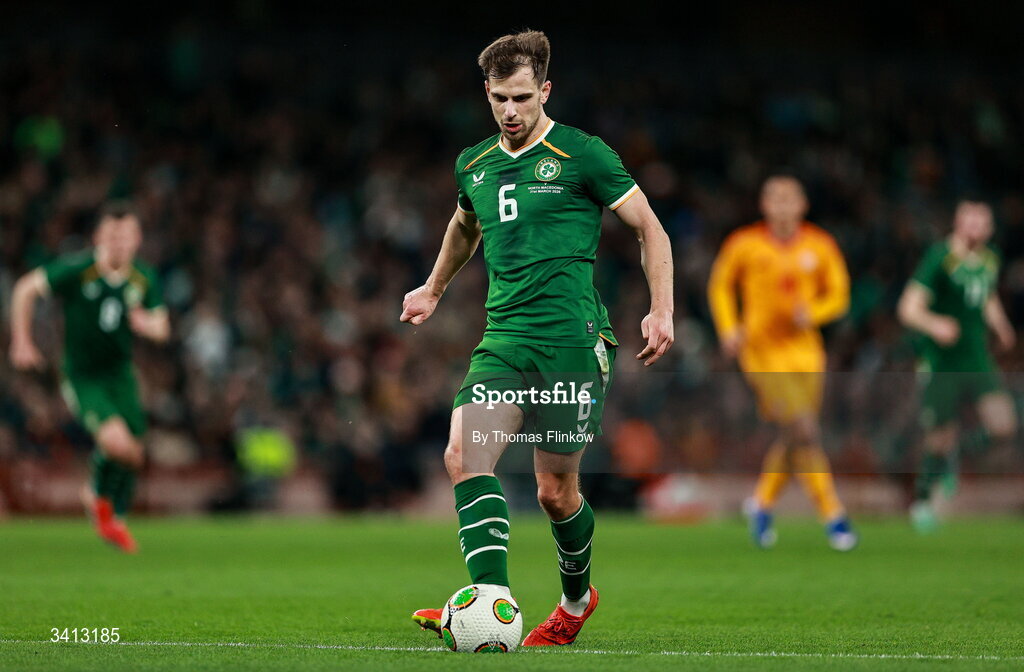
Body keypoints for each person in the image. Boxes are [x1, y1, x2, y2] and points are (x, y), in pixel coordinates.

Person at [401, 30, 673, 646]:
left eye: (522, 97)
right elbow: (464, 225)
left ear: (545, 90)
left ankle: (576, 601)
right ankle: (487, 601)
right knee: (462, 456)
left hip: (572, 345)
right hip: (504, 340)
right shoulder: (474, 162)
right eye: (499, 98)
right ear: (487, 95)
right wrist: (433, 288)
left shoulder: (584, 155)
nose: (511, 111)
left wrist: (662, 309)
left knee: (555, 491)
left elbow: (651, 229)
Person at [8, 201, 169, 552]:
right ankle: (96, 493)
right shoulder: (78, 270)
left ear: (137, 239)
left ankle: (113, 517)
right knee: (116, 444)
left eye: (125, 236)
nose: (119, 243)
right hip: (84, 376)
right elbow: (25, 289)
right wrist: (22, 340)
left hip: (121, 375)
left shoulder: (143, 277)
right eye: (112, 235)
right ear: (98, 236)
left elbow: (162, 325)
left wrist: (148, 325)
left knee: (134, 455)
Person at [708, 175, 856, 551]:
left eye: (790, 199)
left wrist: (816, 312)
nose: (783, 205)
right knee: (805, 430)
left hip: (807, 354)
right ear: (764, 205)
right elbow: (720, 285)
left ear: (802, 205)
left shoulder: (820, 245)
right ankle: (833, 515)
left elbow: (839, 294)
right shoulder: (744, 243)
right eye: (775, 198)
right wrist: (729, 328)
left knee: (795, 435)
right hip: (761, 353)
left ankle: (761, 503)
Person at [897, 200, 1017, 533]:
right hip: (942, 362)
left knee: (1004, 425)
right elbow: (908, 308)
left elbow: (986, 295)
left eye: (981, 223)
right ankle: (921, 501)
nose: (975, 228)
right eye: (969, 222)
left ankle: (955, 457)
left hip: (977, 358)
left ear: (990, 228)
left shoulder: (990, 258)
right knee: (937, 439)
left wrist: (1001, 325)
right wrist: (934, 324)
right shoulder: (940, 258)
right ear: (957, 223)